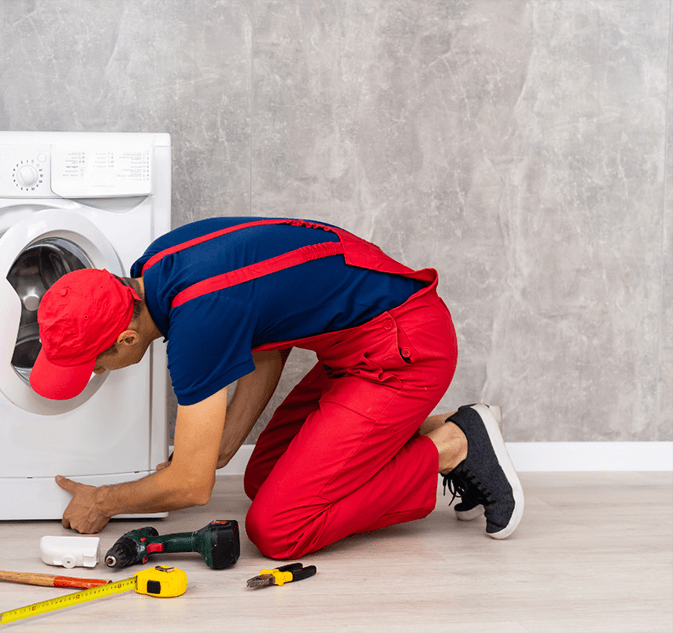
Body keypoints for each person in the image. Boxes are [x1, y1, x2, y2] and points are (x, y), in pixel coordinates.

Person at [30, 217, 523, 559]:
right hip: (359, 348)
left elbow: (191, 485)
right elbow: (268, 337)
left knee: (279, 527)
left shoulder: (195, 323)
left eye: (93, 363)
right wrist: (223, 446)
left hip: (403, 351)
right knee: (260, 479)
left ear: (127, 338)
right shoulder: (159, 264)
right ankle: (430, 430)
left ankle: (453, 444)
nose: (95, 374)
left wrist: (105, 501)